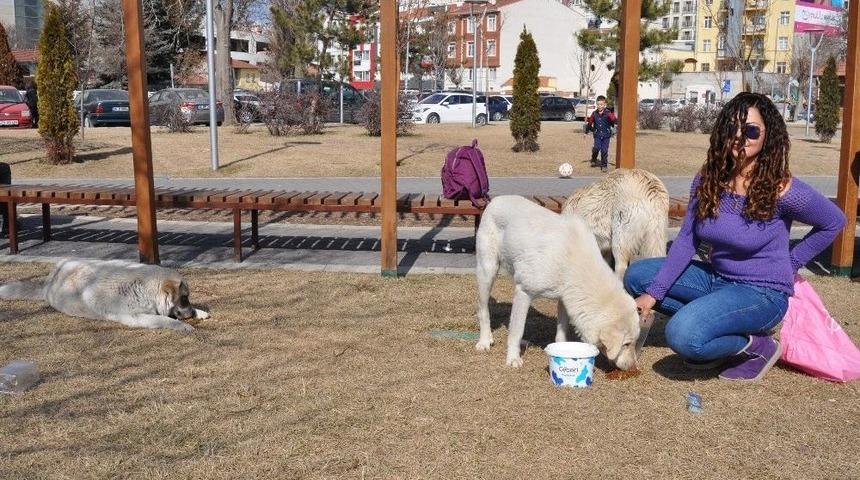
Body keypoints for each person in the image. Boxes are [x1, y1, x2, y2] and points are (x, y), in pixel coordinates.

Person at [623, 92, 846, 381]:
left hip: (762, 292)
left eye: (751, 130)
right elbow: (687, 240)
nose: (740, 137)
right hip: (717, 279)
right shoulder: (708, 179)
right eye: (732, 128)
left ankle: (756, 346)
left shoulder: (782, 188)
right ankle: (712, 326)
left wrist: (789, 264)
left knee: (681, 335)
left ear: (768, 136)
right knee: (638, 276)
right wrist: (653, 294)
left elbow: (834, 221)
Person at [584, 95, 617, 173]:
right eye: (598, 104)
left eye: (601, 104)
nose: (599, 106)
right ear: (596, 104)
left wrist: (617, 122)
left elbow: (614, 120)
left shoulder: (608, 113)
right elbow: (590, 123)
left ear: (604, 104)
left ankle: (604, 165)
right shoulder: (594, 113)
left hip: (606, 135)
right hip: (597, 135)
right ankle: (594, 159)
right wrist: (586, 132)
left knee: (604, 151)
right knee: (596, 148)